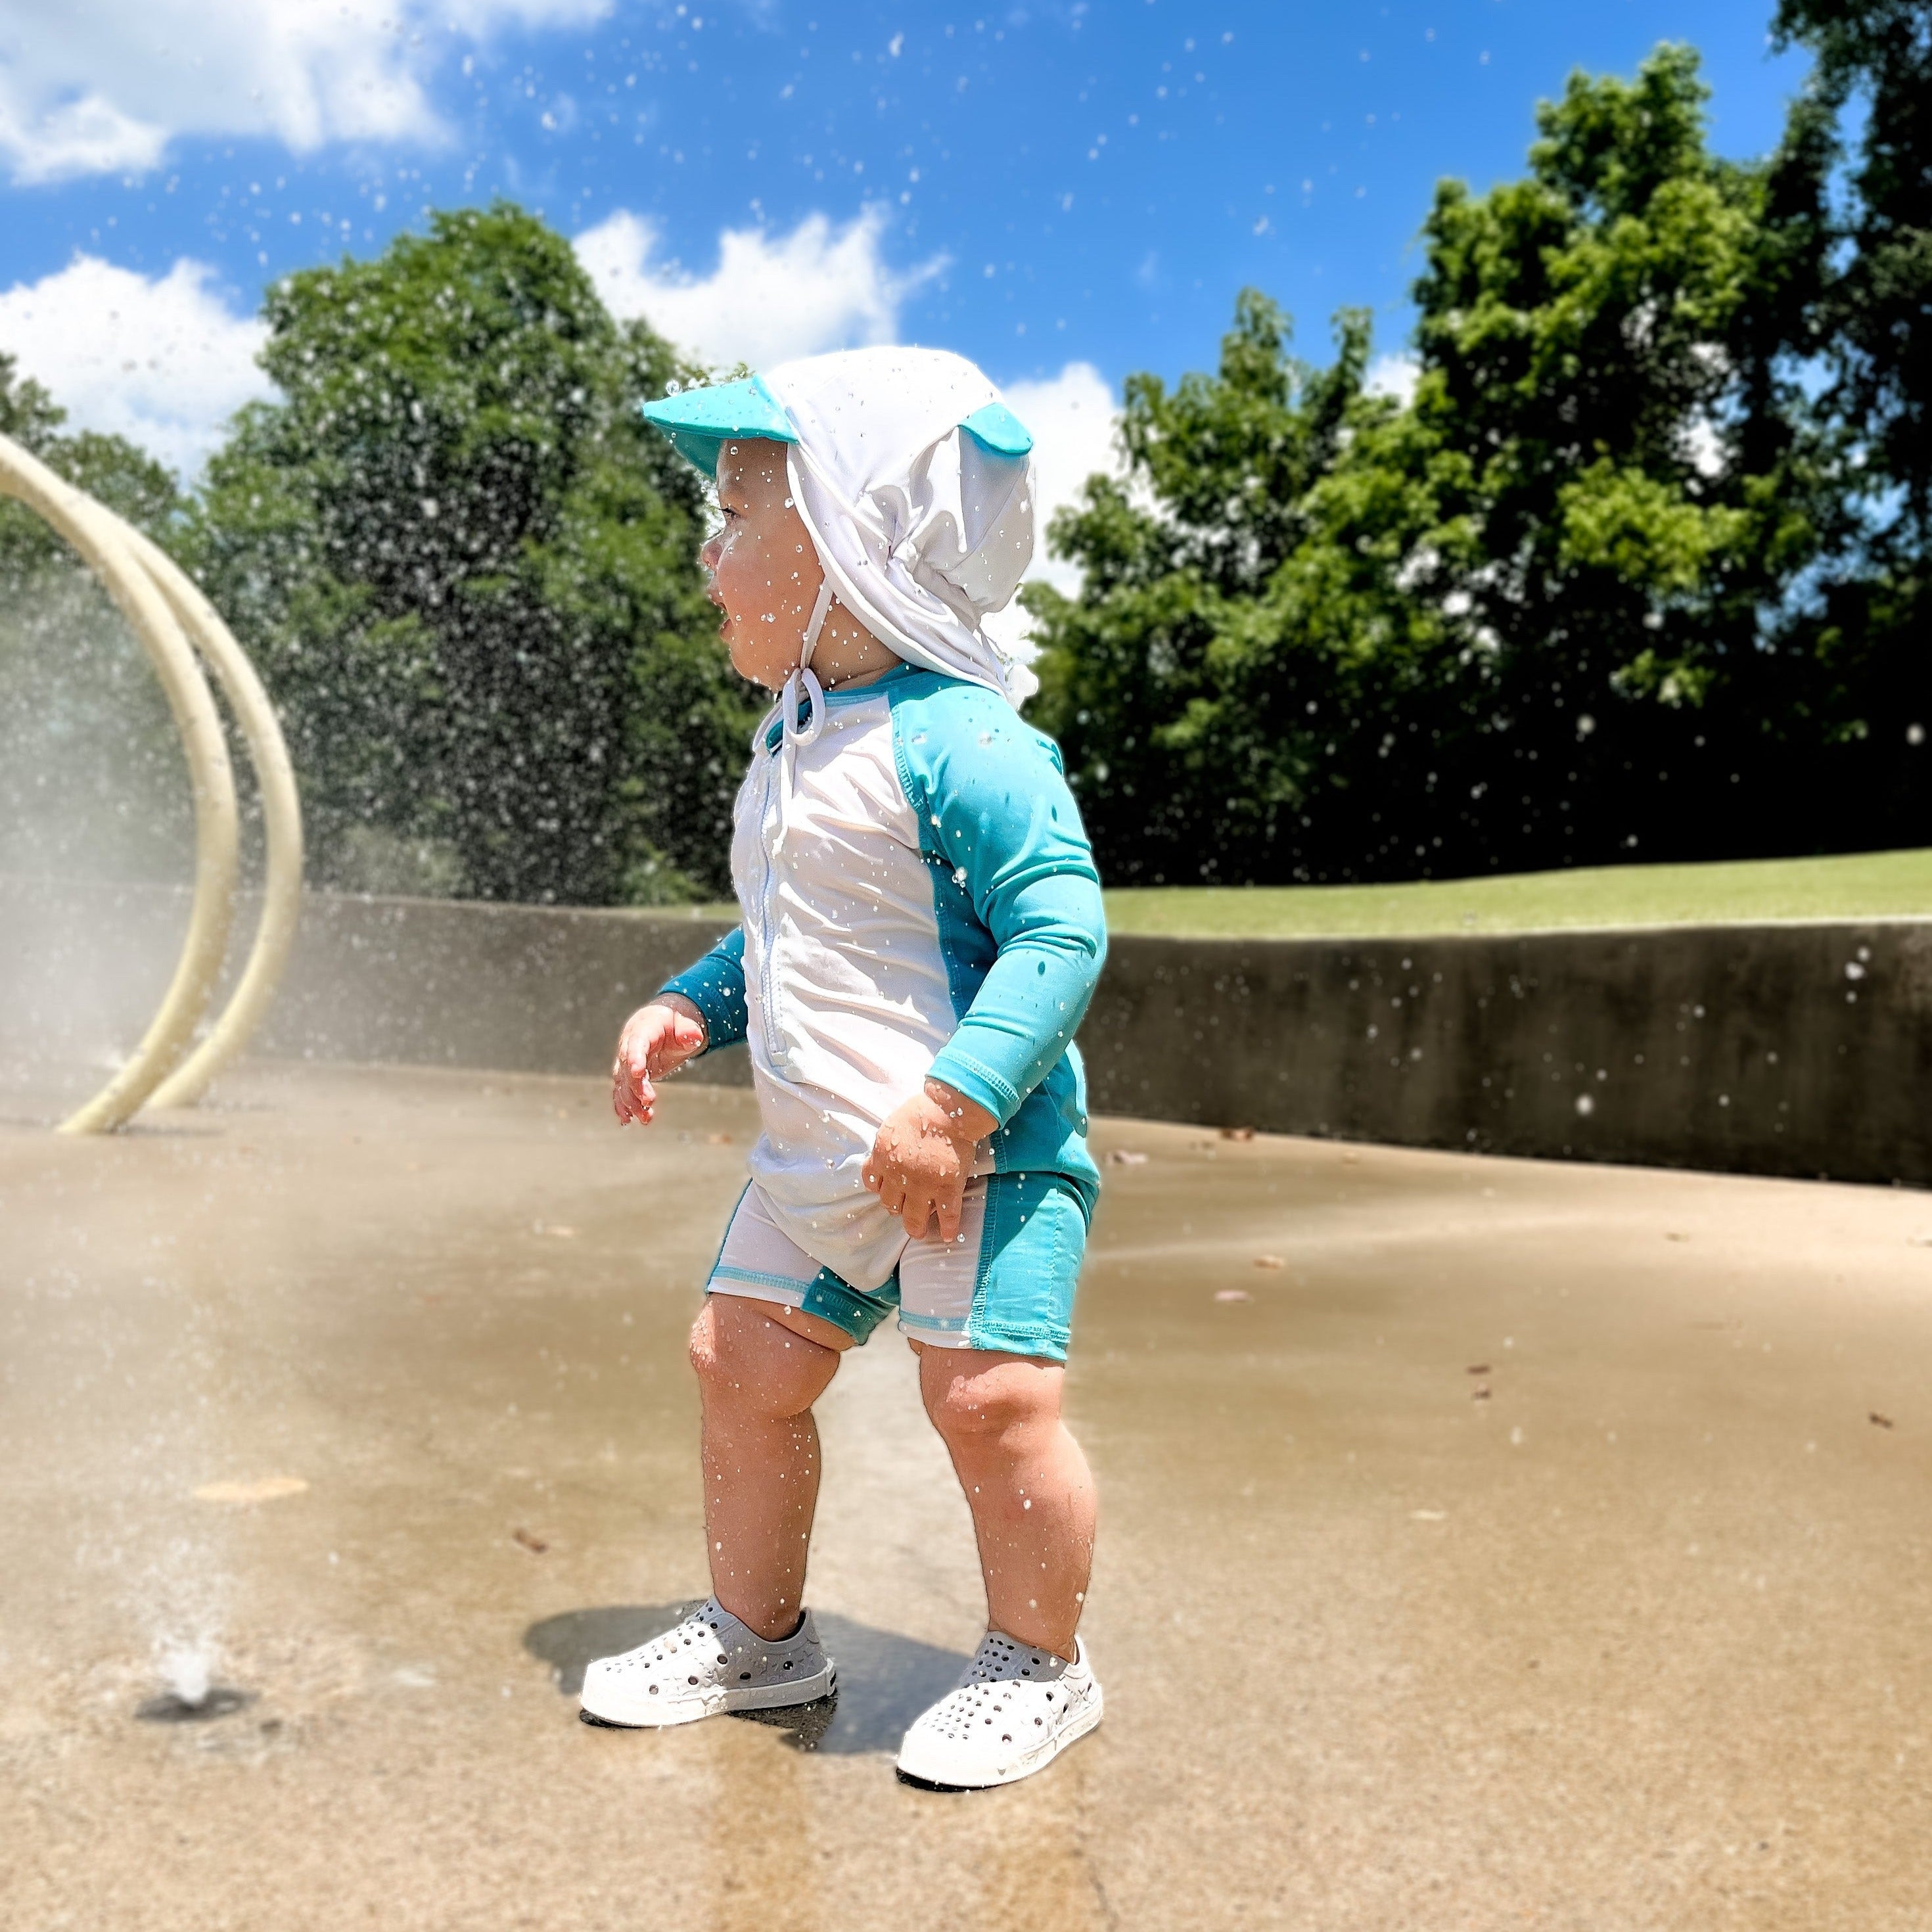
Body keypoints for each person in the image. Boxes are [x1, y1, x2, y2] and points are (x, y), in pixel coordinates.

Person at [579, 347, 1107, 1790]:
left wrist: (954, 1101)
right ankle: (760, 1637)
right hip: (825, 1158)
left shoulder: (968, 743)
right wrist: (695, 1004)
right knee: (738, 1361)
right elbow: (785, 933)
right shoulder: (788, 746)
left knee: (990, 1403)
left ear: (853, 532)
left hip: (976, 1157)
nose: (708, 550)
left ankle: (1040, 1663)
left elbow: (1062, 929)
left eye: (741, 512)